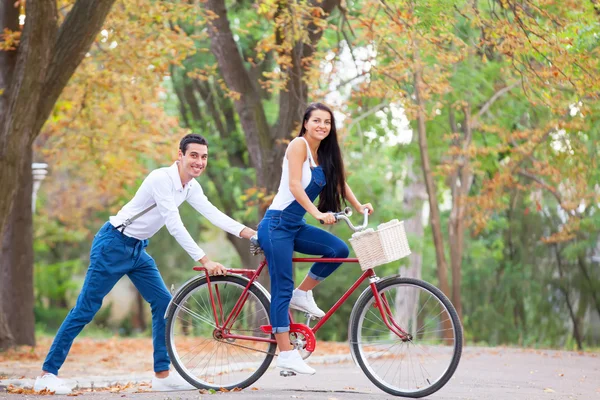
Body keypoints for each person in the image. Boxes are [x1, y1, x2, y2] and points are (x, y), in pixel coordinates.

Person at [34, 134, 256, 394]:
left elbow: (213, 214)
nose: (199, 162)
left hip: (137, 250)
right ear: (180, 155)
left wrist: (250, 233)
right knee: (86, 309)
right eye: (193, 155)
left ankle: (162, 375)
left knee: (163, 303)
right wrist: (204, 259)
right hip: (113, 245)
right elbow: (174, 224)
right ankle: (47, 374)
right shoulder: (161, 179)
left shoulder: (190, 187)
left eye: (204, 157)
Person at [257, 102, 374, 375]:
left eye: (327, 122)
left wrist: (359, 206)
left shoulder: (323, 154)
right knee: (281, 287)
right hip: (275, 226)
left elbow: (339, 182)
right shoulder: (298, 145)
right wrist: (318, 213)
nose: (322, 126)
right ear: (306, 123)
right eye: (317, 120)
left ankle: (304, 291)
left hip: (294, 225)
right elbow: (295, 185)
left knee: (337, 249)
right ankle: (285, 353)